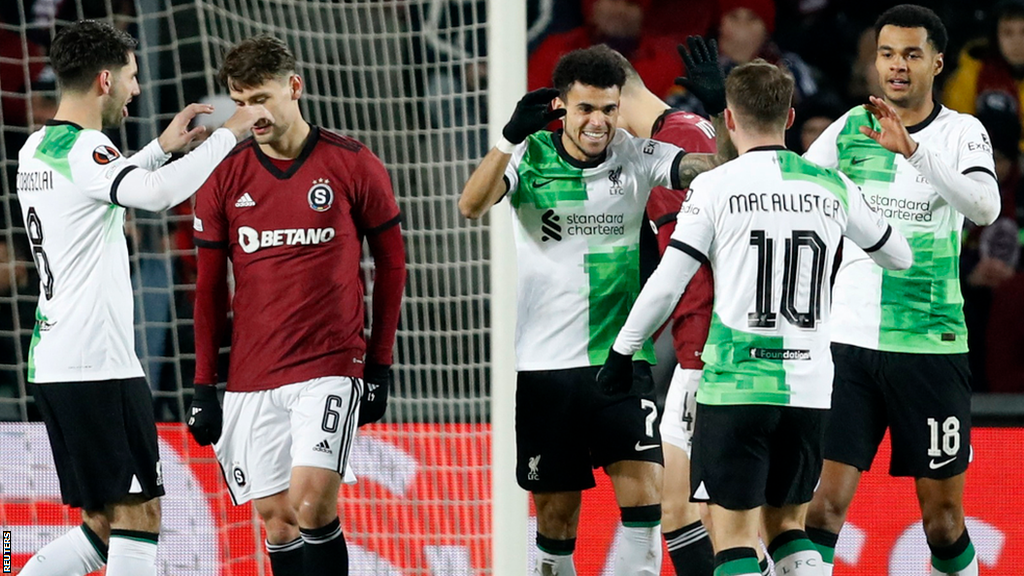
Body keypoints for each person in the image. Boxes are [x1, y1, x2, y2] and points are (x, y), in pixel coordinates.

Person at [600, 59, 912, 576]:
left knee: (735, 537)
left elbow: (669, 280)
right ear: (791, 117)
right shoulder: (833, 185)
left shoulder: (716, 187)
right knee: (789, 527)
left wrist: (622, 349)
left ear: (728, 119)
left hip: (737, 384)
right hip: (810, 385)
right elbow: (898, 255)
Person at [459, 41, 727, 576]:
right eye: (585, 109)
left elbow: (719, 172)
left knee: (645, 508)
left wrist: (720, 111)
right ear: (562, 107)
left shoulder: (638, 154)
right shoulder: (529, 155)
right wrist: (507, 139)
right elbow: (470, 205)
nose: (599, 122)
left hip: (620, 365)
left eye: (607, 108)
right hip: (546, 372)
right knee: (556, 526)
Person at [15, 19, 265, 576]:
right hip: (95, 363)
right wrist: (231, 133)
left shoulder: (38, 148)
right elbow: (151, 195)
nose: (136, 89)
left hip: (59, 361)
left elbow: (100, 189)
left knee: (102, 529)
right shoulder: (84, 148)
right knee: (141, 514)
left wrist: (159, 147)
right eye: (131, 76)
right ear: (105, 80)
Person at [185, 35, 406, 576]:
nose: (250, 113)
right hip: (251, 373)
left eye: (260, 98)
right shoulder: (221, 175)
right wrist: (203, 384)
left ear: (294, 87)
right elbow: (210, 288)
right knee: (277, 520)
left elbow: (393, 267)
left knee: (312, 504)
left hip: (330, 365)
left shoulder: (353, 163)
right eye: (239, 101)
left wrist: (379, 365)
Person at [802, 5, 1001, 576]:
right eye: (887, 53)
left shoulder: (963, 132)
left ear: (936, 62)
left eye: (911, 54)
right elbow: (795, 191)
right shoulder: (847, 128)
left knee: (941, 522)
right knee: (823, 508)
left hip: (930, 346)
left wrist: (912, 151)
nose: (896, 65)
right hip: (847, 344)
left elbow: (985, 208)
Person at [616, 42, 725, 576]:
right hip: (711, 343)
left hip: (707, 346)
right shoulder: (691, 129)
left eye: (592, 111)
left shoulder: (670, 146)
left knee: (698, 514)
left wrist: (625, 343)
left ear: (613, 102)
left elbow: (686, 265)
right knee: (696, 512)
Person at [943, 0, 1024, 152]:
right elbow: (954, 136)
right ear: (995, 37)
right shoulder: (970, 76)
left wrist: (1014, 155)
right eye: (1008, 33)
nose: (1017, 42)